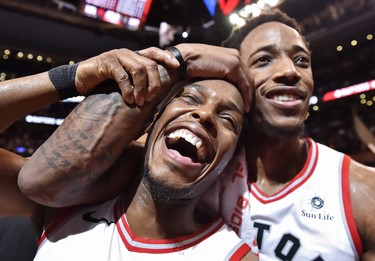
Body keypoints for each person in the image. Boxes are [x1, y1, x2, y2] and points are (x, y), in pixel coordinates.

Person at [18, 7, 375, 260]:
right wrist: (174, 60)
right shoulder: (173, 159)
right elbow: (39, 181)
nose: (289, 72)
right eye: (264, 60)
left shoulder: (363, 194)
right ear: (236, 78)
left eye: (301, 61)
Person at [20, 56, 258, 258]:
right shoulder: (65, 197)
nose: (204, 114)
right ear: (153, 123)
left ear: (230, 161)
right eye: (190, 99)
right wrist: (73, 76)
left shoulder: (231, 255)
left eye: (228, 120)